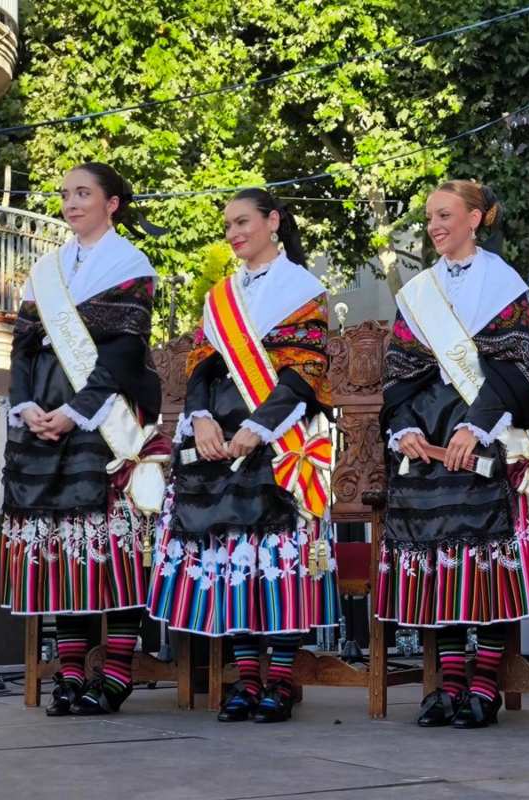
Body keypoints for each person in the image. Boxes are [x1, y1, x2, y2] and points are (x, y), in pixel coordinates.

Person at [146, 188, 338, 724]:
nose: (233, 233)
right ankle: (245, 680)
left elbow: (304, 372)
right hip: (218, 440)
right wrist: (201, 418)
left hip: (280, 440)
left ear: (273, 221)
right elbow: (202, 368)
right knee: (233, 563)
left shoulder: (305, 288)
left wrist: (257, 427)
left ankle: (278, 682)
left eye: (243, 222)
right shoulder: (220, 296)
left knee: (277, 565)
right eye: (228, 225)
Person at [376, 179, 529, 730]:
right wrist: (403, 431)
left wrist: (475, 427)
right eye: (429, 218)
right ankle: (449, 683)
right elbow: (400, 374)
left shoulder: (505, 284)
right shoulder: (418, 291)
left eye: (444, 215)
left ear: (476, 218)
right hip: (427, 443)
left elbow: (516, 369)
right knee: (436, 564)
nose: (434, 226)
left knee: (484, 563)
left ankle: (483, 683)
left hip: (486, 440)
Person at [0, 162, 167, 716]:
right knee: (58, 554)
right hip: (42, 421)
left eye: (84, 194)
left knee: (108, 551)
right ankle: (70, 673)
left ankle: (116, 672)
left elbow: (121, 353)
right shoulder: (45, 271)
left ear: (112, 203)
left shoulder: (129, 264)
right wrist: (26, 406)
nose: (72, 203)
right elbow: (23, 346)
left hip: (103, 421)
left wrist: (75, 412)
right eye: (66, 194)